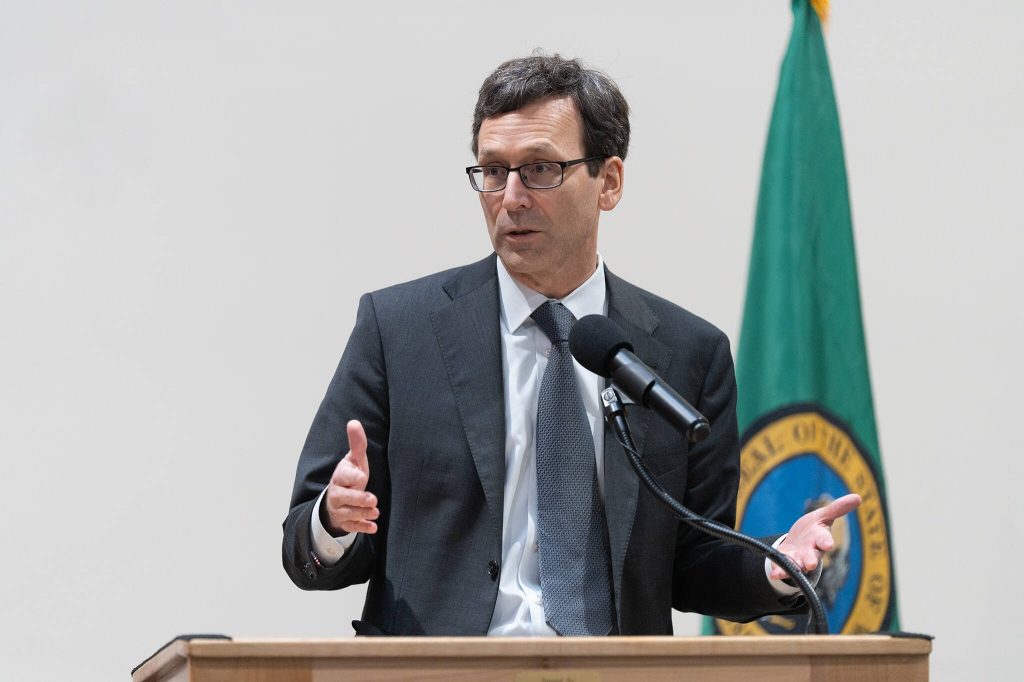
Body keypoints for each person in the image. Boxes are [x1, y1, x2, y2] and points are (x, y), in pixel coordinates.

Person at [282, 53, 860, 636]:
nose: (510, 197)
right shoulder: (399, 330)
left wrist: (775, 563)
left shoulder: (687, 354)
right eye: (492, 170)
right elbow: (303, 545)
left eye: (539, 170)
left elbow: (692, 563)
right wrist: (333, 521)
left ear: (608, 182)